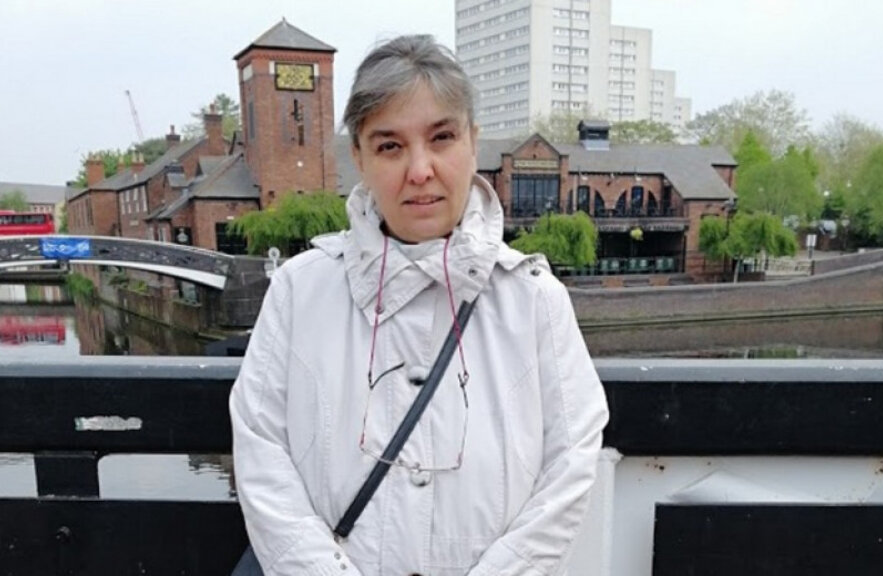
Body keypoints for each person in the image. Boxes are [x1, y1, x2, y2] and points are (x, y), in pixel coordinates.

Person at [229, 34, 609, 576]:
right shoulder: (299, 291)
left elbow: (570, 465)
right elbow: (261, 450)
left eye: (442, 138)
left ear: (473, 142)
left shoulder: (534, 300)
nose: (420, 170)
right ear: (358, 157)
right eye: (390, 146)